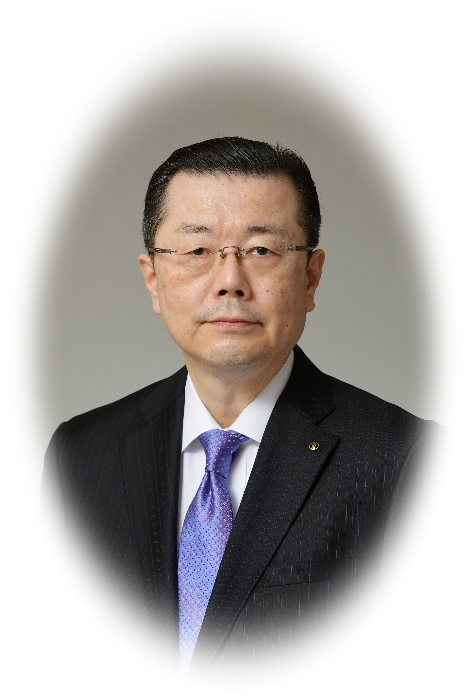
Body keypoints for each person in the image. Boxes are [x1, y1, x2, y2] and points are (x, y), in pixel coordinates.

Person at [44, 136, 434, 672]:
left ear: (311, 277)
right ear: (153, 280)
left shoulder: (410, 459)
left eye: (262, 251)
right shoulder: (81, 455)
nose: (230, 282)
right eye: (198, 251)